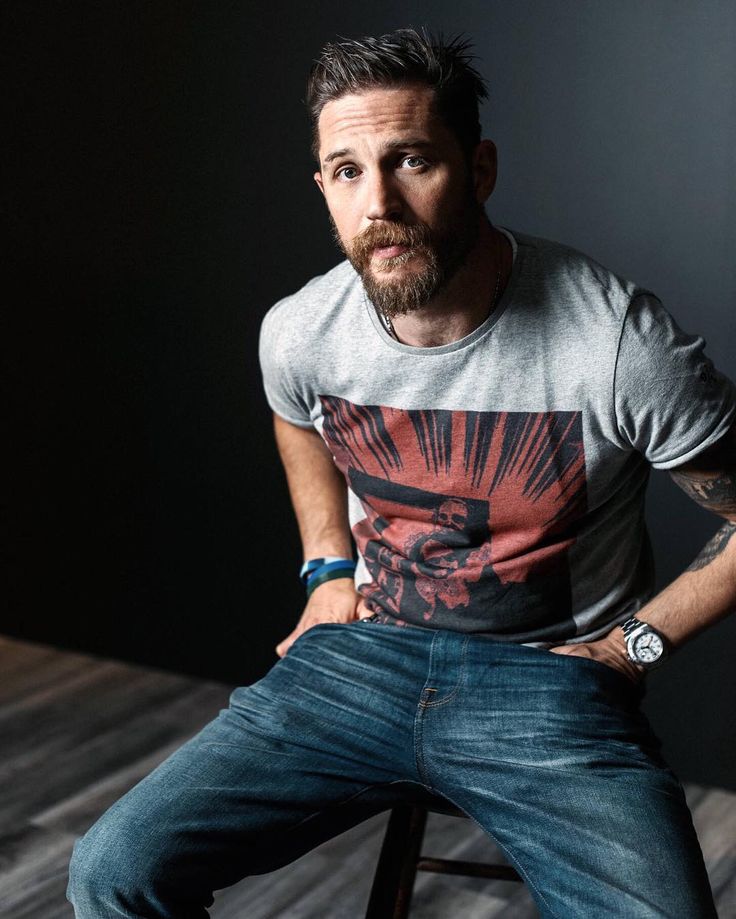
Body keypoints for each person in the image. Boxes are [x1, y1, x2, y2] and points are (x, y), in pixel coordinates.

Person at [67, 28, 736, 918]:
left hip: (549, 683)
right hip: (360, 656)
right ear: (323, 189)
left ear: (480, 167)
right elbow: (297, 415)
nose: (378, 201)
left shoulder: (617, 344)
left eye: (410, 159)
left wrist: (632, 646)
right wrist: (327, 569)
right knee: (113, 869)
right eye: (347, 171)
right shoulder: (303, 329)